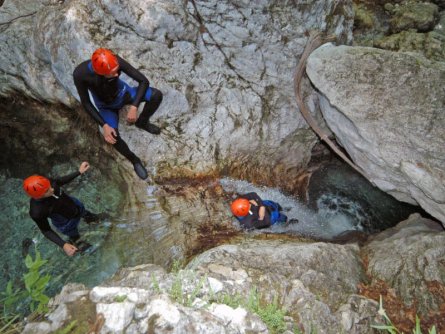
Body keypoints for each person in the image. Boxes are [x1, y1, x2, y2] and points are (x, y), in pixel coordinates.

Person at [73, 48, 164, 180]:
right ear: (100, 73)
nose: (117, 74)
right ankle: (135, 160)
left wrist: (134, 106)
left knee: (156, 95)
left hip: (124, 94)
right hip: (106, 106)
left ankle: (142, 122)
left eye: (117, 70)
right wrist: (104, 125)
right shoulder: (80, 74)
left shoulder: (115, 60)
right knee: (112, 137)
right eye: (112, 73)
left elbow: (143, 81)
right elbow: (86, 103)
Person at [23, 162, 98, 256]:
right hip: (66, 223)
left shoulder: (47, 184)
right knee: (74, 235)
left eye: (49, 186)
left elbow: (59, 181)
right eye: (47, 191)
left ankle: (89, 218)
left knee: (84, 212)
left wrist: (79, 172)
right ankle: (76, 241)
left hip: (76, 206)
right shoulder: (37, 211)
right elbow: (46, 230)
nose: (52, 189)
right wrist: (63, 245)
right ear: (38, 196)